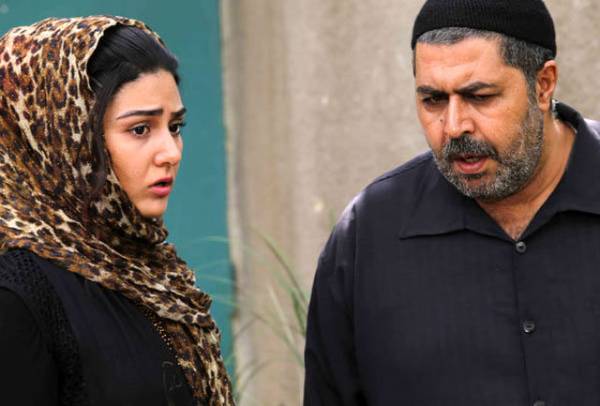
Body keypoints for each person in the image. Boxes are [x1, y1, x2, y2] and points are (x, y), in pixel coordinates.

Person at [304, 0, 600, 405]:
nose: (454, 126)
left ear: (543, 85)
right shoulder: (368, 236)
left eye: (479, 96)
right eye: (433, 100)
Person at [0, 16, 233, 405]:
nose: (171, 152)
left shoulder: (148, 271)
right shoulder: (17, 295)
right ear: (66, 138)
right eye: (140, 129)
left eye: (175, 127)